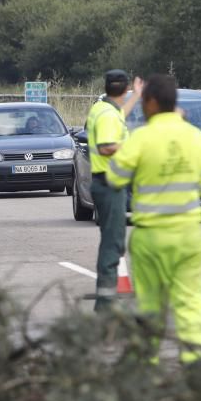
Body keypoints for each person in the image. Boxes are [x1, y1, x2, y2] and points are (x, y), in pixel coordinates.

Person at [106, 74, 201, 363]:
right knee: (190, 302)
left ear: (152, 102)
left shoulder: (140, 138)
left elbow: (115, 176)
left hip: (150, 237)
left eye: (143, 101)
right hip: (188, 234)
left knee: (150, 305)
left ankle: (146, 367)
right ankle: (195, 365)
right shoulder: (197, 138)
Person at [84, 70, 142, 311]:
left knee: (111, 242)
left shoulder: (103, 108)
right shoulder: (108, 115)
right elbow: (107, 147)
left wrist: (136, 97)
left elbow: (119, 114)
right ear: (124, 87)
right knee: (113, 244)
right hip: (109, 184)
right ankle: (105, 305)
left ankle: (105, 301)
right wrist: (134, 146)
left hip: (104, 183)